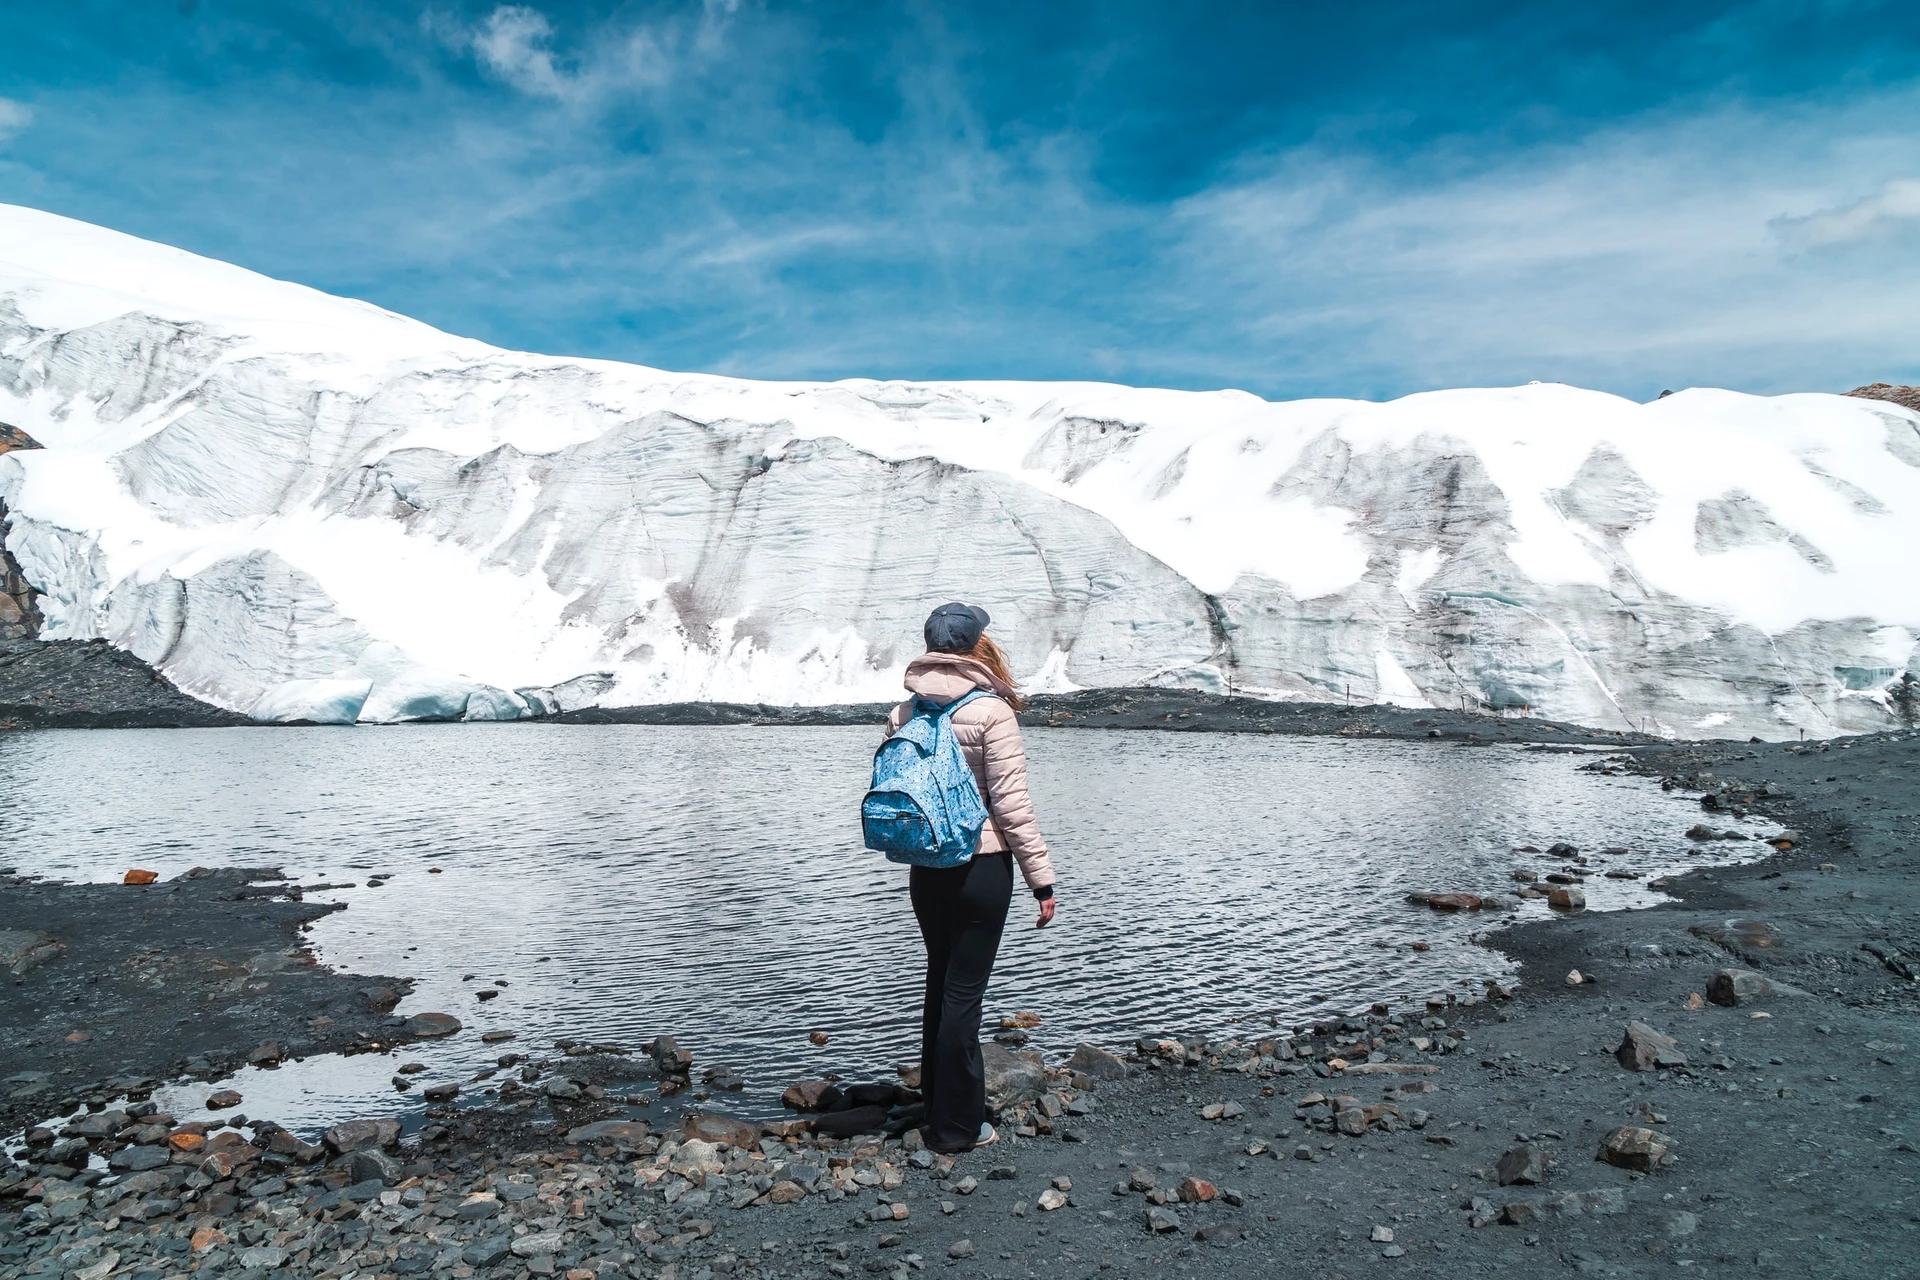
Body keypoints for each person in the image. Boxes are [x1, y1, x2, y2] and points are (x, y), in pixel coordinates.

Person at [886, 601, 1057, 1154]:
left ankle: (937, 1103)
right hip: (981, 867)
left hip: (926, 867)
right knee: (965, 993)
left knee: (940, 982)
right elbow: (1011, 807)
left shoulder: (903, 712)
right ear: (977, 646)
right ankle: (958, 1128)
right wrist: (1041, 879)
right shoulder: (992, 712)